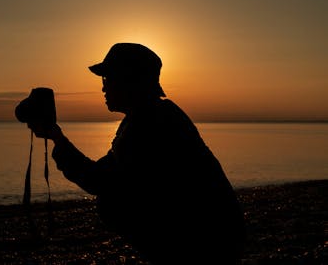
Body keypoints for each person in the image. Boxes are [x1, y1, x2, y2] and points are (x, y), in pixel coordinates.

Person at [29, 42, 246, 264]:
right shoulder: (149, 116)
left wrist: (58, 139)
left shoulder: (151, 121)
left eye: (107, 79)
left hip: (206, 242)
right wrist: (57, 137)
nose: (103, 88)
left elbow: (99, 180)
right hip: (212, 233)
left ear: (129, 81)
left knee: (112, 201)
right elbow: (104, 172)